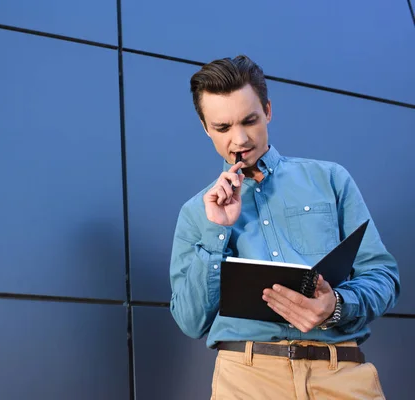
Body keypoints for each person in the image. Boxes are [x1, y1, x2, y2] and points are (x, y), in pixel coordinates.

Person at [168, 55, 400, 399]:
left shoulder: (331, 179)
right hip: (246, 381)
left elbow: (383, 276)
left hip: (340, 374)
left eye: (250, 120)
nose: (240, 139)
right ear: (205, 127)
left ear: (268, 110)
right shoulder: (195, 213)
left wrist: (336, 305)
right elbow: (190, 321)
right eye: (223, 128)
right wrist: (217, 230)